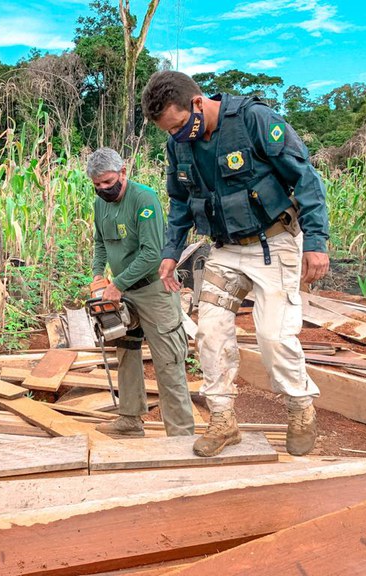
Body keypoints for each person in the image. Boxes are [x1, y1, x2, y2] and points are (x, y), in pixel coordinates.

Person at [141, 71, 330, 457]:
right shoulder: (179, 145)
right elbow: (180, 203)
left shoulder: (253, 120)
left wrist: (316, 240)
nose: (177, 137)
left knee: (274, 337)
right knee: (209, 332)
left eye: (179, 127)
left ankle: (299, 407)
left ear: (197, 103)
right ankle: (224, 420)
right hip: (226, 250)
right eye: (169, 132)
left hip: (274, 243)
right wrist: (170, 252)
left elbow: (305, 177)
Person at [88, 148, 195, 438]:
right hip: (121, 294)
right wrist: (99, 274)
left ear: (123, 172)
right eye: (97, 185)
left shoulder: (143, 199)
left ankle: (181, 433)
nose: (103, 189)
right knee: (126, 352)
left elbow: (151, 254)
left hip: (152, 290)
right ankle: (130, 419)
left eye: (108, 182)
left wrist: (117, 284)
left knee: (168, 360)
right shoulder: (100, 205)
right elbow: (100, 242)